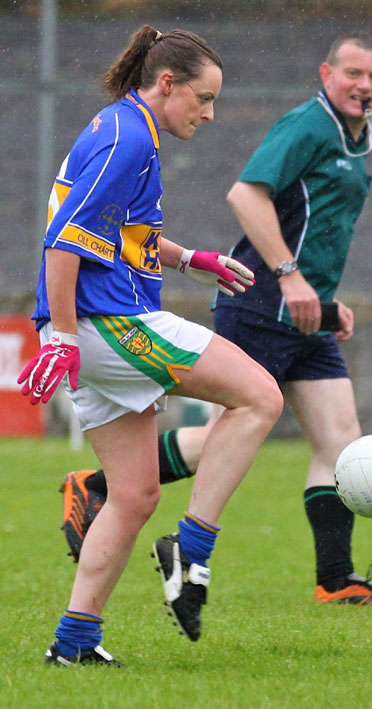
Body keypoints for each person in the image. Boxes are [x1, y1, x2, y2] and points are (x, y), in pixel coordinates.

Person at [61, 31, 372, 605]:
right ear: (327, 74)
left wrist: (322, 299)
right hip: (256, 303)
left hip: (307, 312)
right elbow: (244, 196)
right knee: (248, 413)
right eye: (353, 73)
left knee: (339, 439)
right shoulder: (306, 126)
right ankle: (135, 511)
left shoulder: (357, 140)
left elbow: (123, 227)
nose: (364, 86)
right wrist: (291, 276)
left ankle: (335, 580)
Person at [18, 25, 283, 666]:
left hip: (94, 327)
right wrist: (58, 332)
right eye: (203, 98)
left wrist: (191, 258)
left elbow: (122, 233)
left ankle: (75, 643)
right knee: (261, 398)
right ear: (167, 84)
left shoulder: (121, 127)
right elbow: (65, 238)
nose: (210, 113)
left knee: (134, 493)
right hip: (109, 324)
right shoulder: (129, 136)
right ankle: (193, 546)